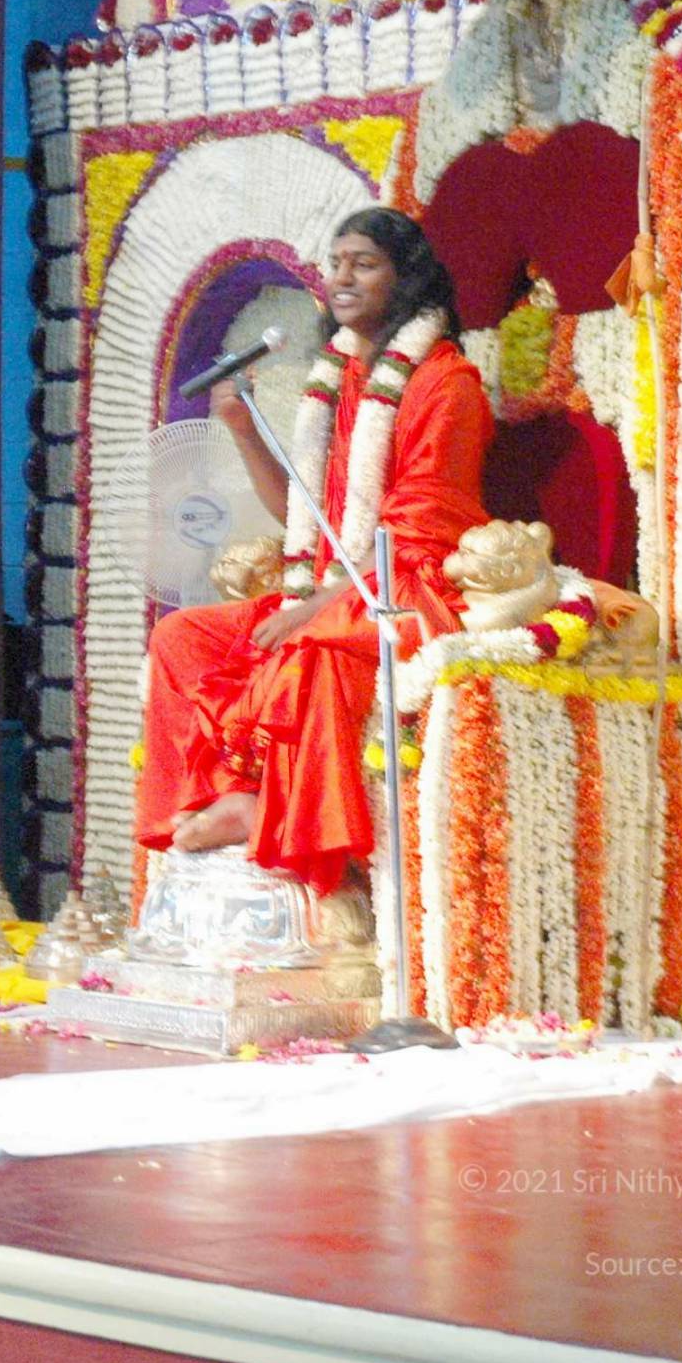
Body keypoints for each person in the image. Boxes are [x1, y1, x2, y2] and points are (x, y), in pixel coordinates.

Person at [136, 207, 495, 895]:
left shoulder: (445, 385)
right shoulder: (340, 380)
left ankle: (267, 812)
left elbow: (414, 536)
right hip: (335, 585)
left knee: (309, 644)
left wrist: (313, 609)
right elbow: (301, 515)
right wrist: (242, 429)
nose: (342, 279)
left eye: (364, 264)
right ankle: (216, 797)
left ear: (406, 278)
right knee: (182, 638)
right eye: (336, 264)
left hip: (408, 589)